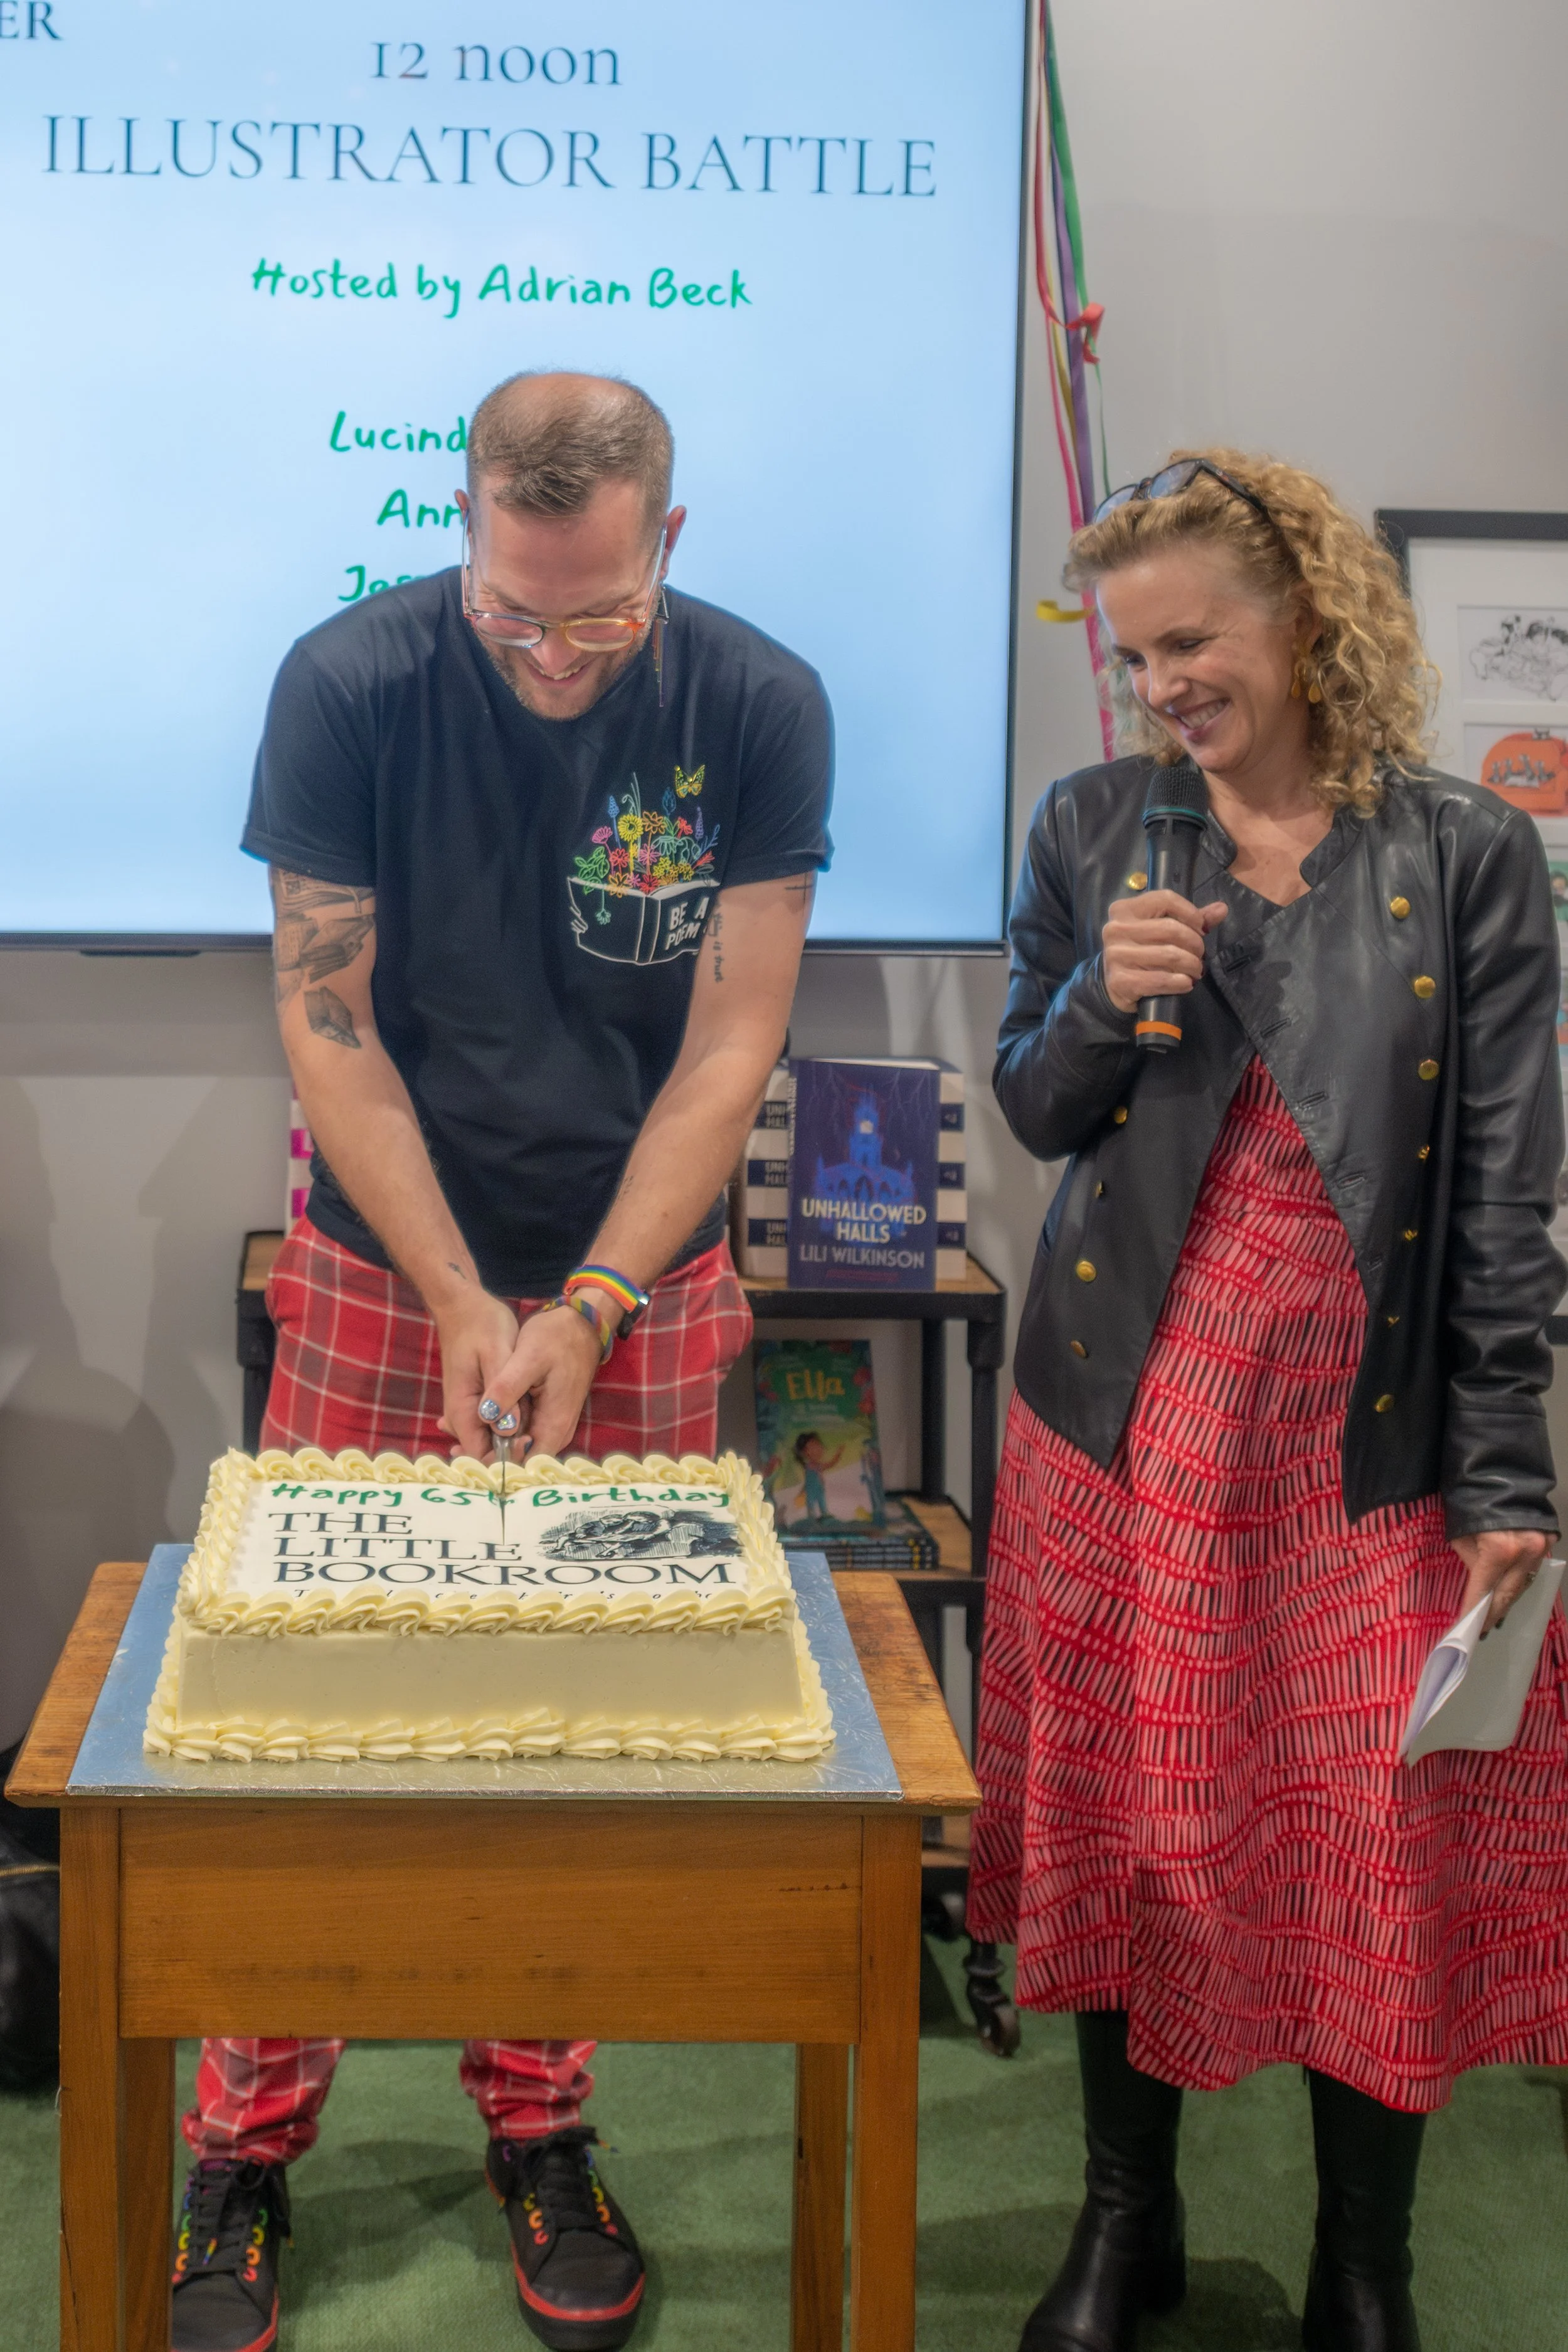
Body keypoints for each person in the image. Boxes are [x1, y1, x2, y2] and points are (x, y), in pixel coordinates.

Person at [168, 373, 832, 2352]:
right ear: (459, 535)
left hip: (637, 1261)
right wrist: (463, 1296)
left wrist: (594, 1304)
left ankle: (541, 2120)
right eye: (510, 613)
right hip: (394, 1261)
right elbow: (330, 1020)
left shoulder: (755, 701)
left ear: (667, 547)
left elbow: (729, 1046)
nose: (550, 659)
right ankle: (245, 2144)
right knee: (315, 1694)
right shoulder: (350, 679)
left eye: (596, 619)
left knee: (568, 1712)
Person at [968, 450, 1568, 2352]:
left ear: (1304, 620)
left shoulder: (1464, 849)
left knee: (1365, 1838)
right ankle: (1123, 2220)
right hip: (1118, 1422)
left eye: (1192, 643)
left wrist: (1500, 1465)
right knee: (1134, 1816)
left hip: (1357, 1439)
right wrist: (1095, 1004)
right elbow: (1036, 1110)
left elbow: (1499, 1193)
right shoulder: (1092, 827)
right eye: (1138, 657)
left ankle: (1362, 2264)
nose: (1165, 687)